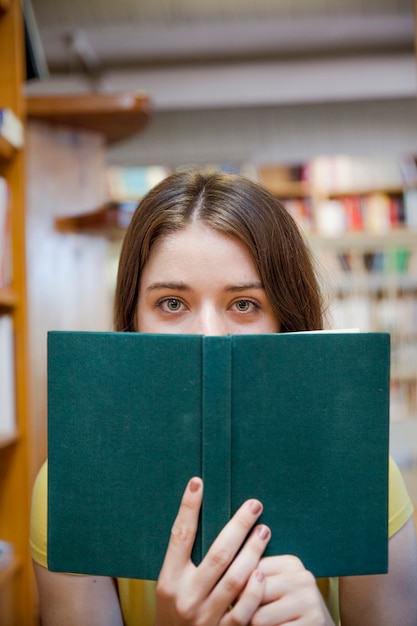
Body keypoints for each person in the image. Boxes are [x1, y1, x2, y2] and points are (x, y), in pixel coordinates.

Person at [30, 169, 417, 626]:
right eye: (172, 303)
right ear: (132, 319)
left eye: (244, 304)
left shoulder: (365, 471)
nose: (210, 336)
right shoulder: (70, 485)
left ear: (286, 321)